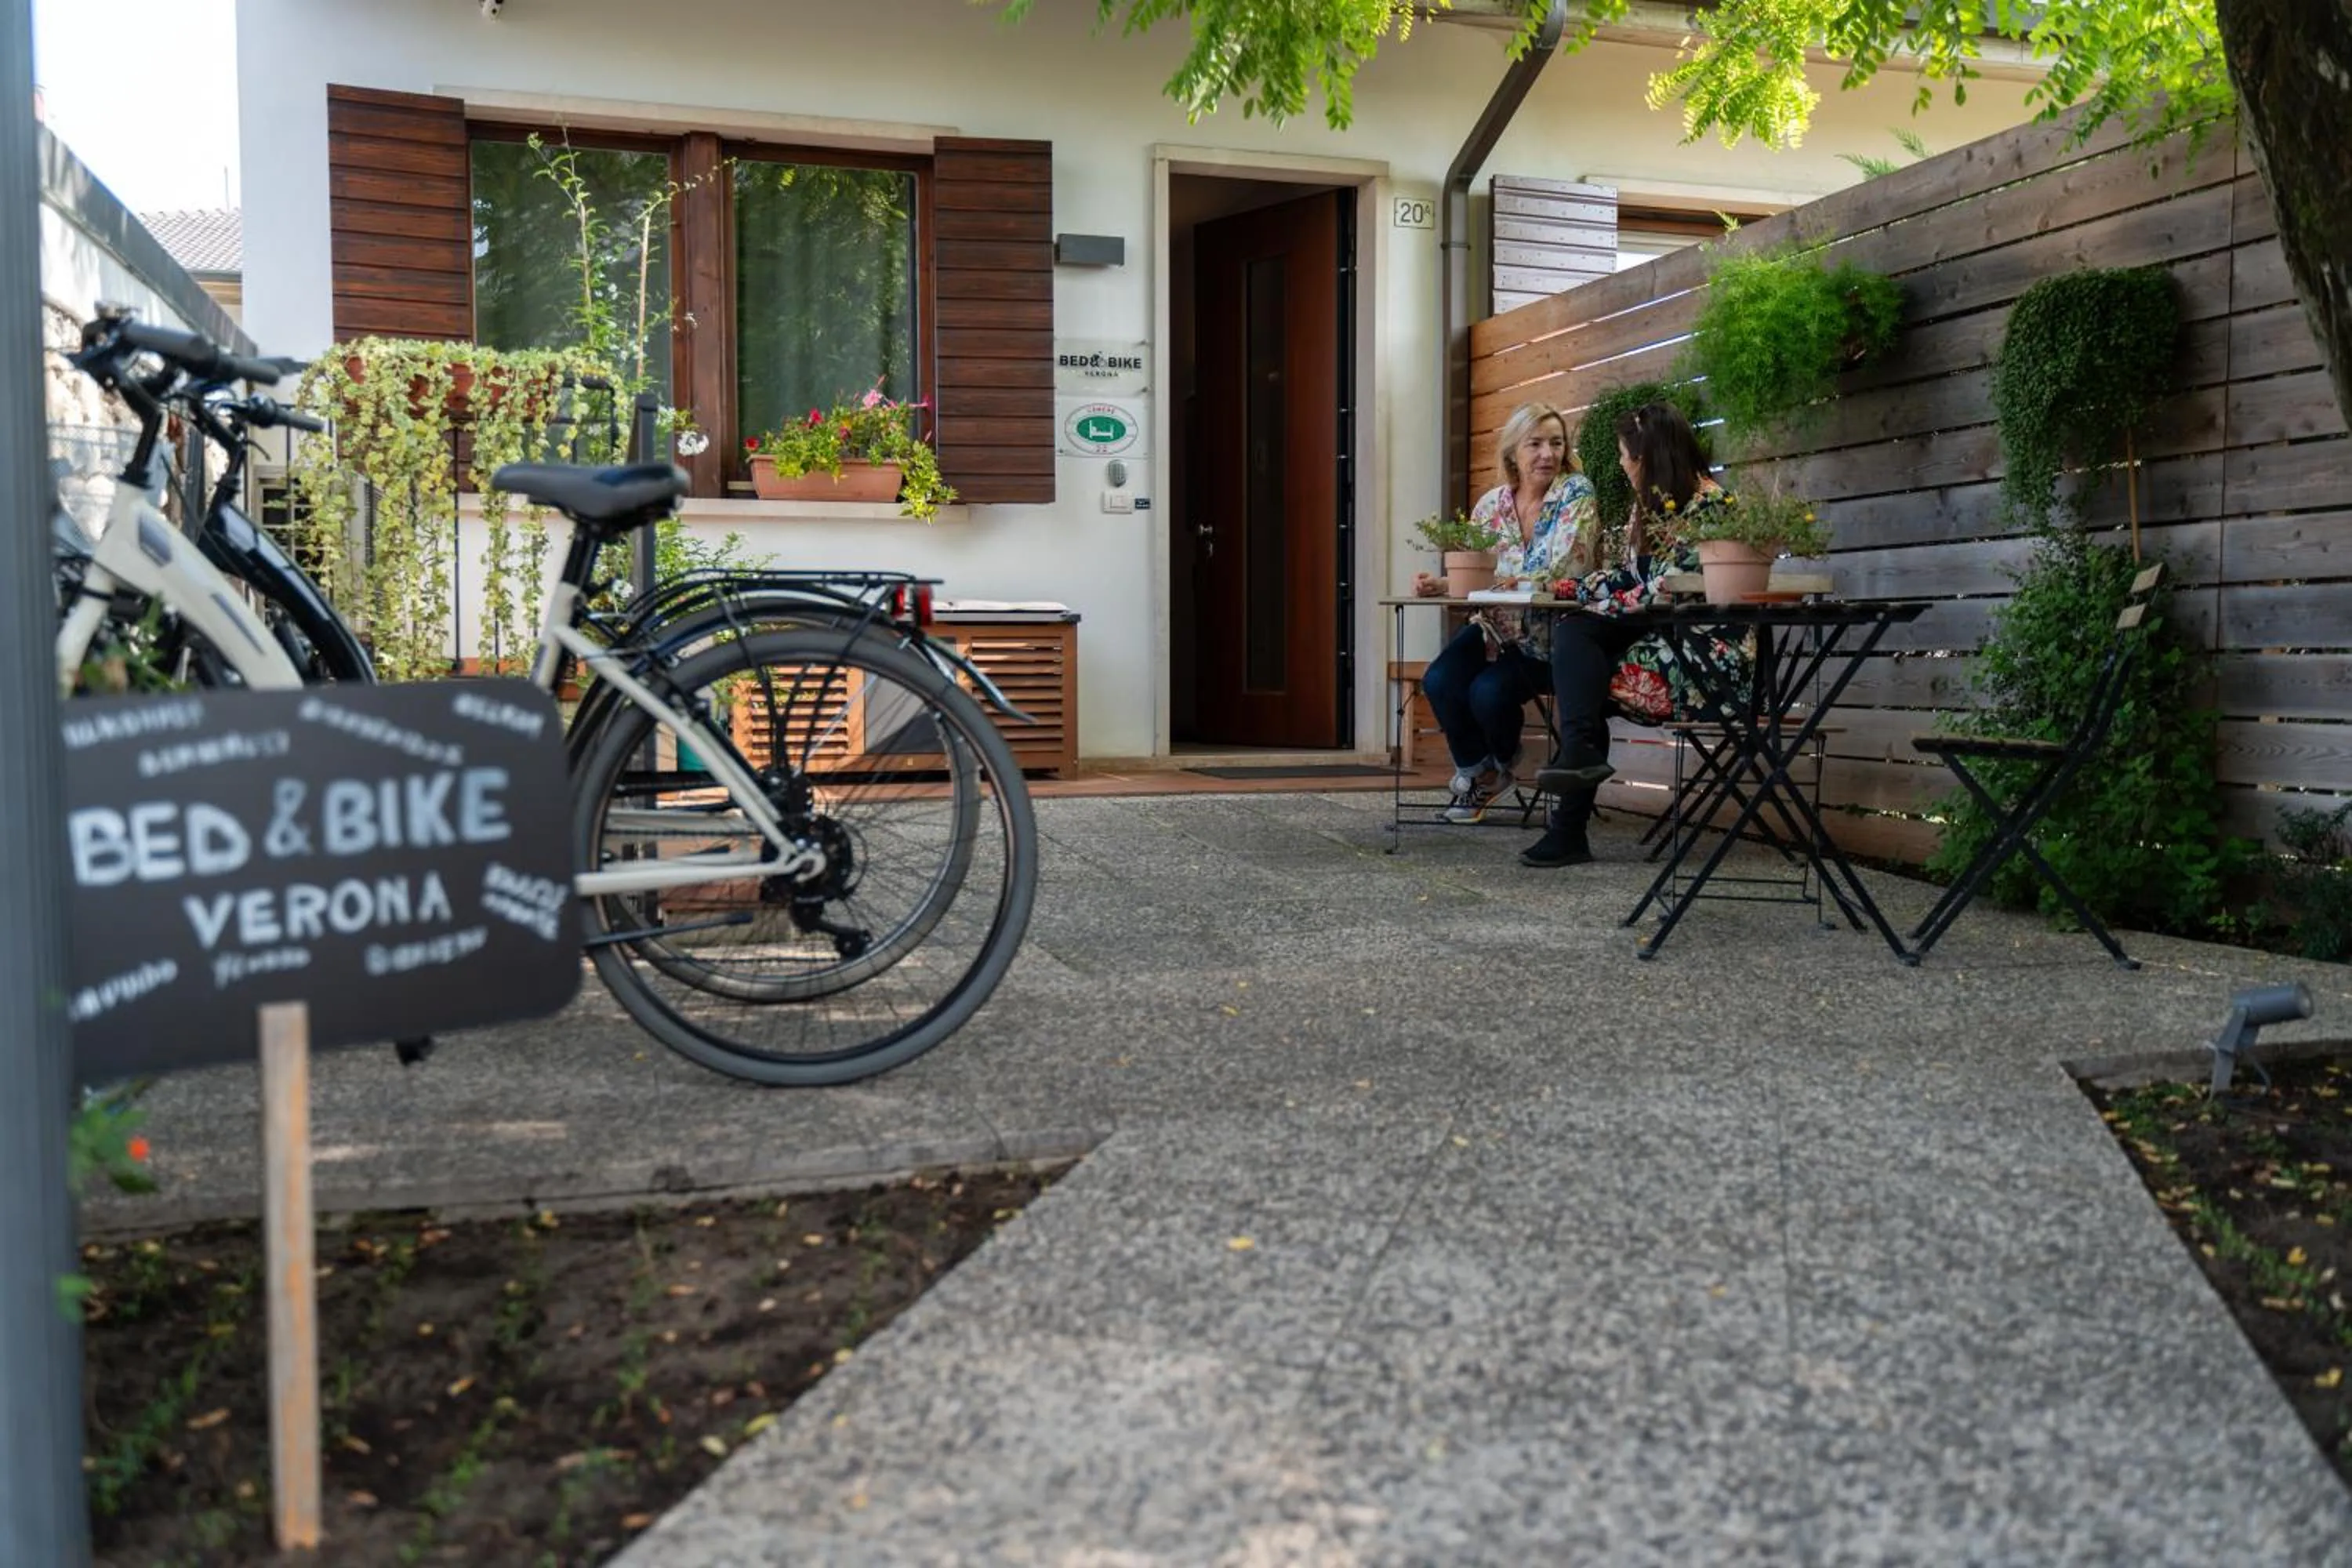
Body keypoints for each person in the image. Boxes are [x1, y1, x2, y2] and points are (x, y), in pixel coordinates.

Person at [1523, 399, 1725, 867]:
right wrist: (1566, 587)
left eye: (1623, 454)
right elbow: (1629, 577)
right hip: (1655, 632)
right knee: (1579, 647)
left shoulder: (1710, 506)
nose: (1620, 464)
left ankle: (1570, 821)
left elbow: (1669, 587)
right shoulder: (1651, 509)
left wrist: (1598, 603)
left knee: (1581, 656)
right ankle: (1574, 786)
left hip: (1697, 649)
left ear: (1646, 456)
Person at [1417, 403, 1597, 824]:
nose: (1548, 454)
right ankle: (1482, 771)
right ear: (1513, 452)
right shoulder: (1489, 505)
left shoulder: (1575, 493)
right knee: (1439, 680)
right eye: (1535, 444)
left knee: (1488, 692)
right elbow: (1476, 573)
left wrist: (1493, 580)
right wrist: (1443, 584)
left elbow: (1565, 568)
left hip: (1551, 638)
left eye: (1556, 443)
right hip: (1492, 629)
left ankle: (1497, 765)